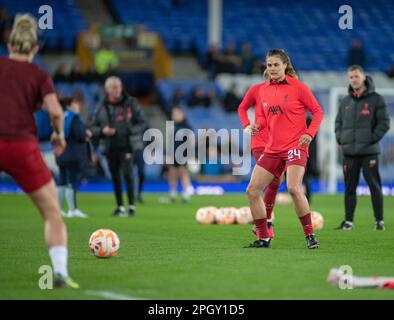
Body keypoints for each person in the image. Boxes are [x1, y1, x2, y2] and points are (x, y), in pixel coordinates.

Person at [0, 14, 78, 288]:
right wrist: (58, 134)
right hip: (22, 147)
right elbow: (56, 111)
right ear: (35, 48)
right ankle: (59, 273)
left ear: (9, 44)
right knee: (52, 212)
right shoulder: (38, 74)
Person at [246, 49, 324, 249]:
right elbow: (263, 117)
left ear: (285, 66)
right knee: (252, 190)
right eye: (269, 65)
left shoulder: (299, 87)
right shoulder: (263, 90)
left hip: (295, 146)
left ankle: (310, 235)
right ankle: (264, 237)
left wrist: (309, 133)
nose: (271, 68)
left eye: (275, 65)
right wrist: (258, 126)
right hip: (273, 148)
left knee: (293, 188)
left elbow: (317, 112)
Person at [335, 65, 390, 230]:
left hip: (369, 152)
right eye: (351, 77)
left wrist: (371, 139)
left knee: (374, 186)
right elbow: (338, 123)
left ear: (364, 77)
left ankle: (379, 221)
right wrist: (340, 138)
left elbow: (384, 123)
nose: (353, 80)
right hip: (349, 153)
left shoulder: (376, 99)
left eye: (356, 76)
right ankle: (348, 222)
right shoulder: (345, 101)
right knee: (349, 188)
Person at [89, 76, 147, 217]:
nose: (117, 89)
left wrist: (127, 131)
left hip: (127, 144)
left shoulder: (130, 103)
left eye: (119, 86)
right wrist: (103, 131)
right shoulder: (101, 106)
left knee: (127, 173)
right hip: (110, 146)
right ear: (107, 89)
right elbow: (93, 127)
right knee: (115, 176)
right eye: (114, 87)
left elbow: (142, 123)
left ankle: (131, 206)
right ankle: (120, 206)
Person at [238, 78, 283, 240]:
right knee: (270, 182)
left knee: (276, 182)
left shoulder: (286, 92)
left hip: (280, 143)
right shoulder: (257, 89)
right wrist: (247, 125)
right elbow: (242, 107)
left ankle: (267, 218)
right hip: (260, 143)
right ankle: (264, 224)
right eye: (270, 67)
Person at [56, 97, 89, 218]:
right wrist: (86, 133)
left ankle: (58, 209)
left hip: (61, 153)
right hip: (73, 153)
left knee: (62, 182)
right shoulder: (74, 117)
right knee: (72, 182)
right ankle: (72, 209)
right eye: (75, 103)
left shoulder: (59, 116)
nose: (78, 106)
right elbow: (79, 135)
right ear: (69, 106)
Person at [167, 107, 193, 202]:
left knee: (183, 173)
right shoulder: (171, 126)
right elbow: (169, 142)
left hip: (183, 153)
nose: (175, 116)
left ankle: (186, 194)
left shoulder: (186, 126)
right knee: (172, 173)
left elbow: (191, 141)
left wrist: (190, 154)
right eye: (173, 114)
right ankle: (173, 193)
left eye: (177, 114)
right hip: (173, 153)